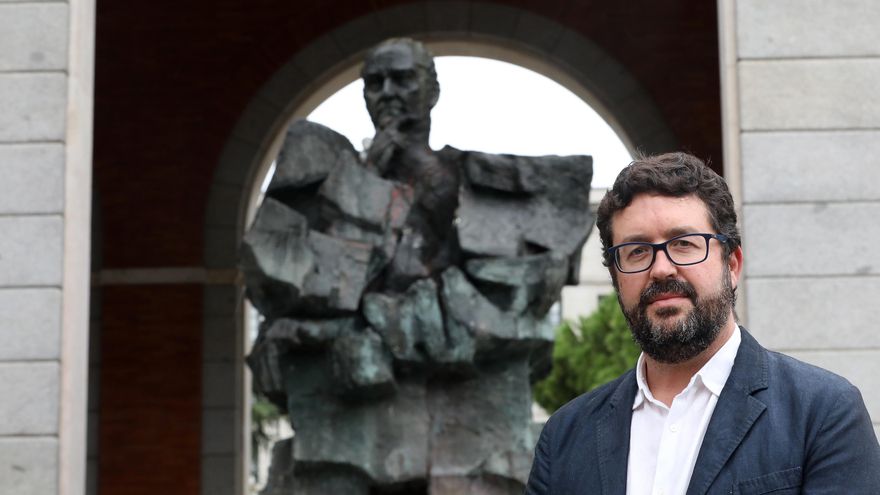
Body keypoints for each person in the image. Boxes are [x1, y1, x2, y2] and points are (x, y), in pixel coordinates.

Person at [525, 152, 880, 494]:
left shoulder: (821, 413)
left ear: (732, 265)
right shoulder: (565, 436)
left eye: (684, 244)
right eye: (636, 251)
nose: (661, 268)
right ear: (617, 280)